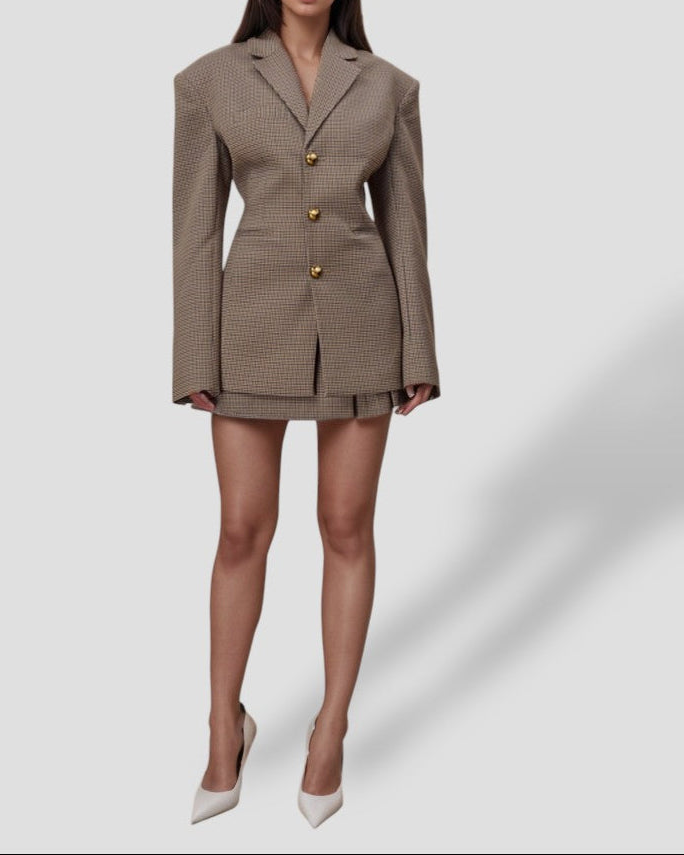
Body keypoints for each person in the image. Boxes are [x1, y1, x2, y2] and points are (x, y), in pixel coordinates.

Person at [172, 0, 441, 828]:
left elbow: (405, 224)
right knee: (241, 530)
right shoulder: (210, 80)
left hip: (364, 326)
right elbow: (194, 230)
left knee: (346, 526)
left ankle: (331, 728)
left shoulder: (388, 86)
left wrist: (419, 348)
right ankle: (225, 724)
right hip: (250, 328)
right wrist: (193, 357)